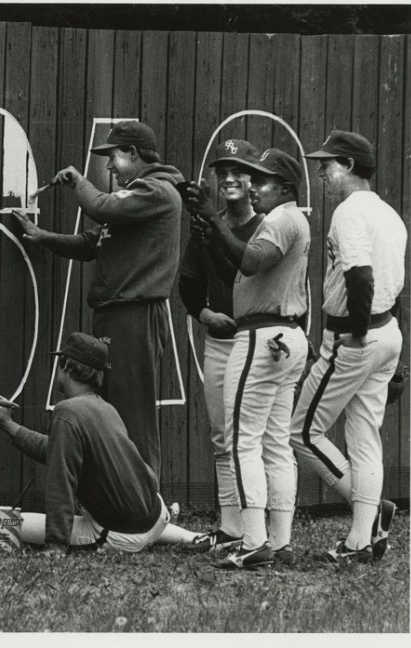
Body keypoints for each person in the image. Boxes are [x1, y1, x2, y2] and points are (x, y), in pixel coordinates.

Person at [13, 121, 182, 478]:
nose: (108, 167)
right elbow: (93, 244)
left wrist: (77, 180)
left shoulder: (157, 190)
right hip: (115, 313)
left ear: (134, 154)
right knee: (111, 409)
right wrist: (43, 237)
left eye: (113, 157)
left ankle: (147, 501)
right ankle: (120, 496)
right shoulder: (136, 195)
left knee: (133, 411)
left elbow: (100, 206)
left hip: (135, 313)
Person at [184, 148, 310, 570]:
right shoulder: (291, 218)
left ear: (286, 188)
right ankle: (280, 541)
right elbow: (241, 269)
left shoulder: (280, 219)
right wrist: (213, 236)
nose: (254, 186)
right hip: (284, 334)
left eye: (264, 180)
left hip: (261, 335)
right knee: (274, 443)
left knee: (243, 441)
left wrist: (215, 220)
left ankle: (254, 540)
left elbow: (253, 262)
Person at [288, 131, 405, 563]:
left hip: (355, 336)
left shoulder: (349, 211)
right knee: (363, 439)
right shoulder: (390, 214)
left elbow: (361, 277)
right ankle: (363, 538)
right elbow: (395, 291)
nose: (321, 171)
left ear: (351, 166)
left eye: (329, 164)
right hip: (387, 332)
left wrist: (353, 335)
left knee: (300, 432)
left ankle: (368, 513)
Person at [0, 332, 201, 554]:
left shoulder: (66, 411)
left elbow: (61, 482)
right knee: (135, 519)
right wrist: (8, 425)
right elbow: (54, 450)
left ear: (67, 366)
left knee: (2, 523)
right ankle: (194, 537)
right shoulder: (105, 407)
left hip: (119, 534)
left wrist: (55, 545)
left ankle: (151, 538)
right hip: (157, 515)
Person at [177, 139, 264, 553]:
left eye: (238, 171)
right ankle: (231, 528)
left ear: (254, 181)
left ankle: (258, 530)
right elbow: (189, 282)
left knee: (250, 440)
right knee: (221, 438)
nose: (229, 178)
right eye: (222, 171)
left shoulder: (268, 225)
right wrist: (202, 314)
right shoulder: (204, 224)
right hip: (220, 341)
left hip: (256, 341)